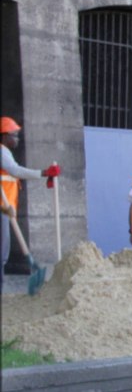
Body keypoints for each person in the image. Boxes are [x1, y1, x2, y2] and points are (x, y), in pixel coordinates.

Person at [1, 117, 60, 285]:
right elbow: (15, 171)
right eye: (15, 135)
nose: (17, 139)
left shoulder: (5, 153)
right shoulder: (2, 151)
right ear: (4, 136)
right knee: (2, 250)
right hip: (2, 207)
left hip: (5, 207)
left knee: (3, 249)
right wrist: (43, 173)